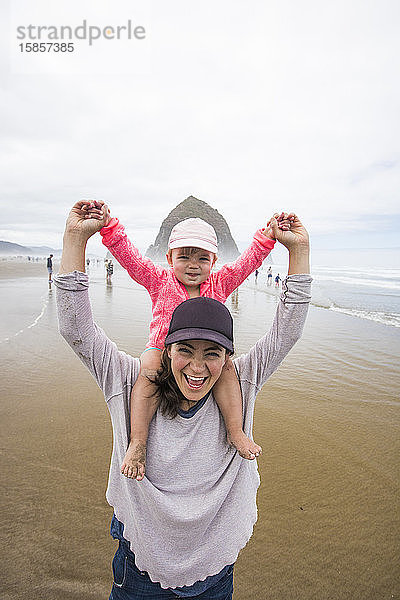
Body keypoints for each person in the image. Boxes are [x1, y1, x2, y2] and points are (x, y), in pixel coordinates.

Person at [55, 200, 311, 598]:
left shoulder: (239, 379)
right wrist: (80, 237)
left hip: (216, 572)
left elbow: (286, 328)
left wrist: (295, 249)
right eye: (185, 349)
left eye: (212, 352)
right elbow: (76, 327)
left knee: (225, 388)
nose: (197, 367)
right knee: (148, 373)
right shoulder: (130, 378)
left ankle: (235, 431)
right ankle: (137, 443)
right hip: (140, 567)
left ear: (227, 353)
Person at [89, 204, 292, 480]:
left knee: (227, 369)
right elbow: (132, 260)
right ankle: (138, 441)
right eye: (184, 256)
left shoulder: (219, 284)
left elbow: (247, 264)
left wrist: (267, 238)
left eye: (202, 258)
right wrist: (110, 227)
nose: (193, 265)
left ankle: (235, 431)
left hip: (205, 350)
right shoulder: (160, 280)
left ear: (214, 261)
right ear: (169, 258)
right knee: (148, 366)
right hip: (163, 348)